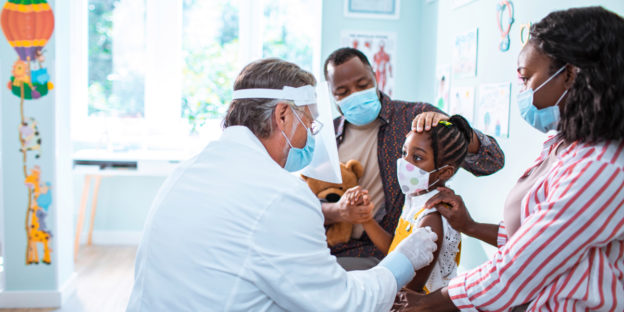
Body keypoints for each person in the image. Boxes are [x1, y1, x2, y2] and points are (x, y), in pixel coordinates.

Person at [126, 58, 440, 311]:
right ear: (283, 116)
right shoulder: (280, 197)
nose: (311, 136)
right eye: (310, 122)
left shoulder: (187, 171)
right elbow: (343, 304)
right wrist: (403, 260)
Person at [406, 6, 624, 311]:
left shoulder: (601, 167)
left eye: (525, 78)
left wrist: (426, 304)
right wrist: (470, 225)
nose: (522, 91)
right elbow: (529, 237)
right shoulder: (559, 144)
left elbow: (520, 267)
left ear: (570, 75)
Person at [321, 47, 505, 270]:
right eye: (342, 92)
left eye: (362, 85)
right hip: (334, 249)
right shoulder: (327, 137)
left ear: (375, 76)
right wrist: (339, 211)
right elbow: (309, 203)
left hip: (389, 253)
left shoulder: (415, 119)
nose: (355, 95)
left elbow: (492, 161)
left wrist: (453, 125)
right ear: (331, 95)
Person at [352, 115, 472, 295]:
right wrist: (366, 219)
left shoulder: (433, 217)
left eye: (417, 157)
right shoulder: (414, 199)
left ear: (445, 172)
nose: (404, 163)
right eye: (404, 153)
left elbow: (411, 290)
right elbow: (397, 251)